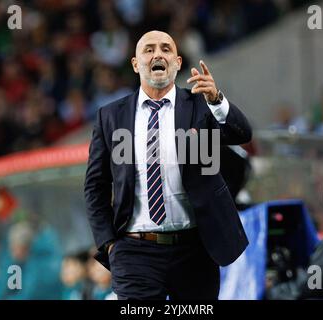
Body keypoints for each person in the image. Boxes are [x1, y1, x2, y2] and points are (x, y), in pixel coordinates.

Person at [84, 30, 252, 300]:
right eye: (149, 50)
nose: (158, 54)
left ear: (177, 62)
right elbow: (95, 186)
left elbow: (241, 133)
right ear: (135, 64)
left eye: (165, 49)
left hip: (194, 250)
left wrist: (217, 101)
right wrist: (109, 243)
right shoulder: (111, 116)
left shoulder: (200, 105)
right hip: (134, 251)